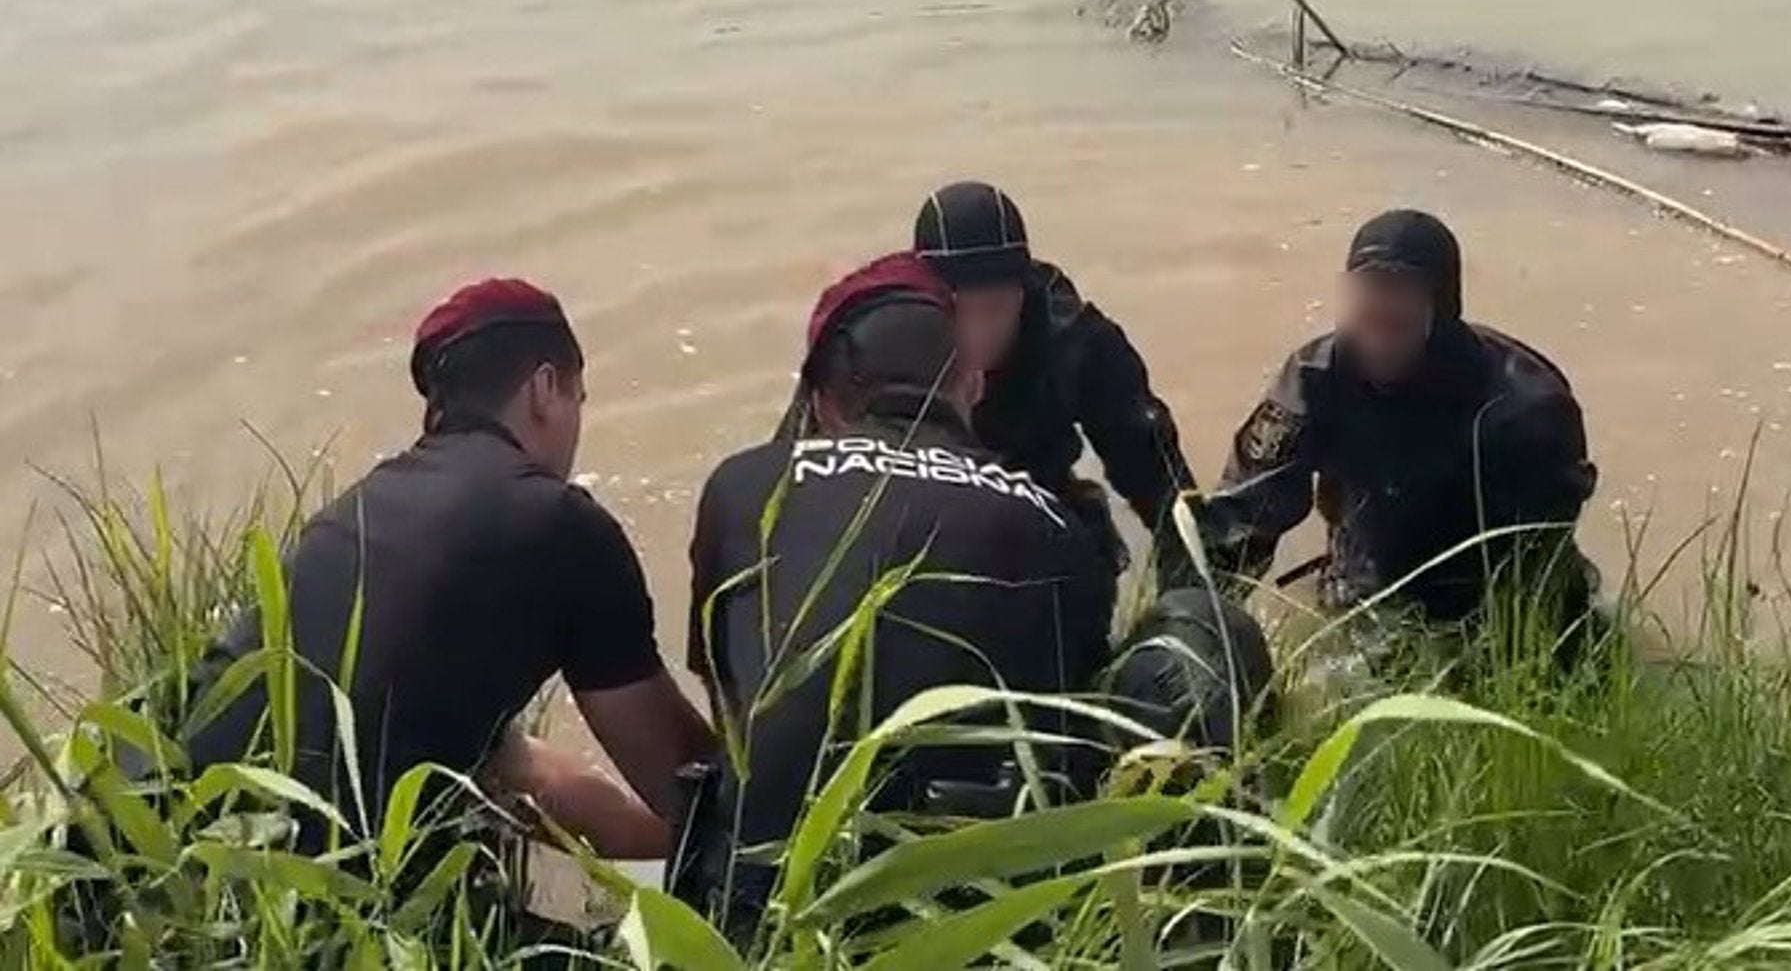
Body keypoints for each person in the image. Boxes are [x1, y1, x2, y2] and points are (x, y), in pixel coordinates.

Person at [186, 279, 714, 864]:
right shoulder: (560, 524)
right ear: (544, 389)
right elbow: (688, 784)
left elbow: (519, 771)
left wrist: (659, 844)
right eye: (577, 400)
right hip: (329, 896)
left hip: (186, 851)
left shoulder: (352, 515)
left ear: (438, 408)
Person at [678, 252, 1116, 933]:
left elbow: (730, 692)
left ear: (822, 402)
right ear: (972, 382)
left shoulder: (742, 486)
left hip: (759, 911)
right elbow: (1070, 723)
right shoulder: (1055, 522)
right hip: (975, 922)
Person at [1196, 209, 1599, 636]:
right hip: (1364, 591)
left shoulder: (1525, 409)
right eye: (1366, 320)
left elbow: (1538, 565)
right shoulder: (1316, 379)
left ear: (1441, 317)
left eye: (1396, 325)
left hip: (1491, 600)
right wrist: (1192, 621)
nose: (1377, 344)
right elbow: (1239, 526)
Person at [783, 181, 1196, 583]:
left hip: (1034, 502)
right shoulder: (878, 332)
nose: (979, 333)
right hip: (913, 500)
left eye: (996, 308)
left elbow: (1164, 491)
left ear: (1023, 290)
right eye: (962, 310)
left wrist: (1193, 590)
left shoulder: (1076, 342)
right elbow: (793, 469)